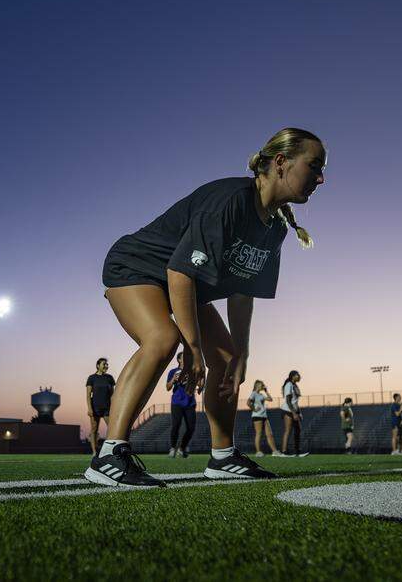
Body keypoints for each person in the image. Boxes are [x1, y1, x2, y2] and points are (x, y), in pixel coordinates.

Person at [86, 128, 326, 486]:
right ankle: (109, 455)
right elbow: (179, 273)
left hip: (184, 285)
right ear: (281, 162)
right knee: (163, 339)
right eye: (314, 165)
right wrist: (193, 348)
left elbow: (243, 293)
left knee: (227, 360)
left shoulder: (275, 229)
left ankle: (223, 457)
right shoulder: (230, 200)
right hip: (137, 267)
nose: (321, 178)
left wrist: (242, 352)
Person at [166, 351, 198, 457]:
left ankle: (182, 448)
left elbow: (198, 386)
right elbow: (168, 387)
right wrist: (173, 380)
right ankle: (172, 448)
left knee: (191, 427)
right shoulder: (173, 371)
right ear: (179, 360)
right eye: (184, 357)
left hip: (190, 402)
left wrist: (200, 383)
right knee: (176, 425)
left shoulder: (193, 371)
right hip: (177, 402)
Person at [85, 358, 115, 455]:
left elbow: (113, 395)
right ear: (98, 366)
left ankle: (109, 450)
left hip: (107, 408)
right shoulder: (91, 378)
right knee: (94, 429)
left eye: (107, 364)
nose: (106, 366)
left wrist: (113, 408)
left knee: (112, 428)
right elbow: (88, 394)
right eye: (104, 364)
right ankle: (94, 452)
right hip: (95, 407)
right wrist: (89, 409)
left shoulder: (109, 378)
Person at [280, 370, 309, 457]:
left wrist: (299, 413)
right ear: (293, 376)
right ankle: (284, 451)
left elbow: (295, 402)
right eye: (298, 375)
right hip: (287, 410)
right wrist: (294, 413)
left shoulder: (294, 385)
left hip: (294, 411)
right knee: (288, 431)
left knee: (298, 430)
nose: (299, 376)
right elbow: (288, 401)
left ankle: (297, 451)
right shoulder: (289, 385)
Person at [247, 380, 279, 456]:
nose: (263, 386)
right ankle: (258, 452)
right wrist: (254, 409)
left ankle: (275, 451)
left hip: (264, 416)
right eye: (262, 385)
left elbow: (270, 399)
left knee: (270, 434)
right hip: (257, 416)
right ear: (257, 385)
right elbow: (248, 402)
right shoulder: (254, 393)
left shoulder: (261, 395)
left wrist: (266, 391)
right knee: (259, 433)